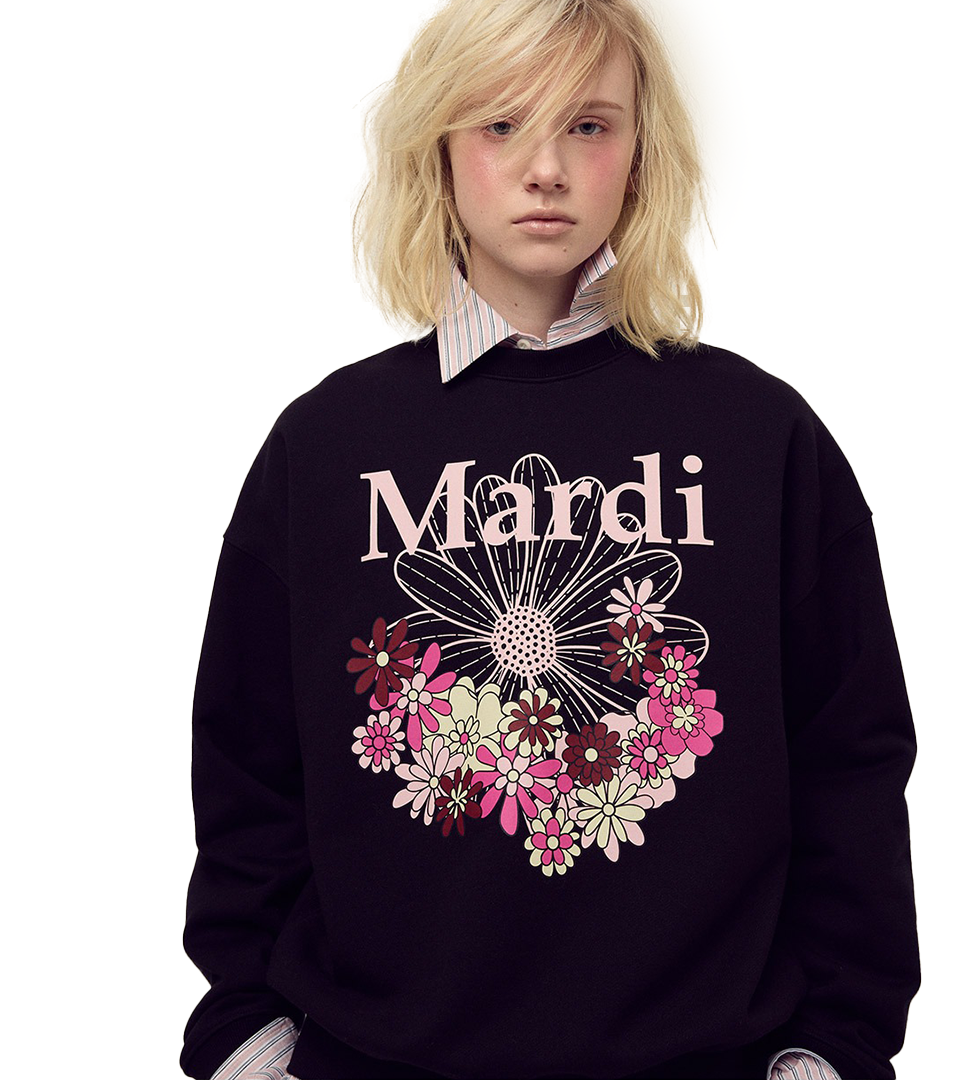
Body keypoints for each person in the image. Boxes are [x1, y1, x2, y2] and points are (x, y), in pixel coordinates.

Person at [179, 0, 920, 1077]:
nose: (546, 169)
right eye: (500, 124)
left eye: (589, 125)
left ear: (642, 151)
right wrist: (247, 1039)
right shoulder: (326, 444)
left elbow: (851, 758)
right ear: (435, 148)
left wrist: (834, 1050)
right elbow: (246, 763)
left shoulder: (760, 437)